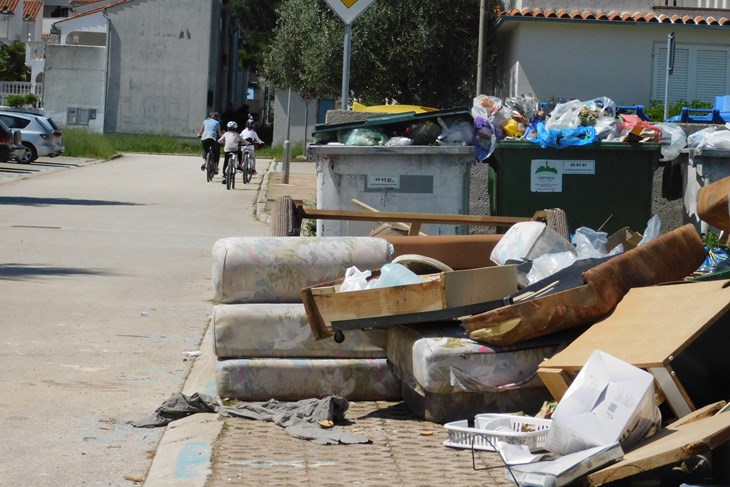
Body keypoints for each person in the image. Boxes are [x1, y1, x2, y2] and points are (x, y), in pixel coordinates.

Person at [218, 121, 245, 185]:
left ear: (228, 128)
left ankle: (224, 175)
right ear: (235, 128)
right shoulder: (237, 134)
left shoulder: (226, 134)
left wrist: (223, 143)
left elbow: (219, 140)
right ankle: (240, 164)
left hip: (227, 150)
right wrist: (247, 143)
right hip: (235, 150)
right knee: (239, 152)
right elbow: (243, 141)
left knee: (226, 161)